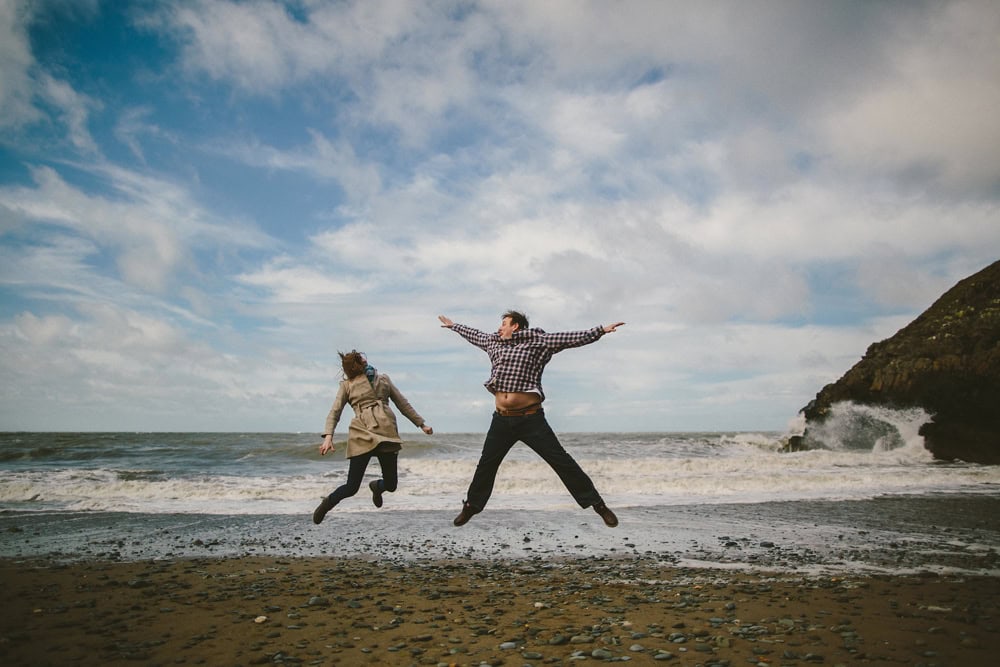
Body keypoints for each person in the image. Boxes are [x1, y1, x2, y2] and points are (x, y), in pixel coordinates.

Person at [438, 311, 624, 528]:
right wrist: (454, 326)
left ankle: (598, 505)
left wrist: (600, 330)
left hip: (531, 419)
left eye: (504, 324)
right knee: (486, 464)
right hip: (501, 420)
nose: (499, 328)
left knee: (561, 461)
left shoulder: (538, 341)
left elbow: (571, 338)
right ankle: (471, 506)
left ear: (516, 326)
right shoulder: (493, 342)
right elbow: (475, 334)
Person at [313, 350, 433, 524]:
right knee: (352, 487)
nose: (363, 359)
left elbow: (402, 402)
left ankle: (377, 487)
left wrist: (421, 424)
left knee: (391, 485)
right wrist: (328, 436)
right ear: (356, 366)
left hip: (386, 430)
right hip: (361, 433)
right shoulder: (347, 385)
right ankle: (327, 504)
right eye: (359, 360)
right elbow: (335, 411)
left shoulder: (383, 379)